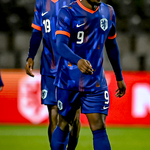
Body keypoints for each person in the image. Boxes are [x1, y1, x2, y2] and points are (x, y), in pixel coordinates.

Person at [51, 0, 126, 149]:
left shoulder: (108, 12)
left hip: (95, 81)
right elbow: (60, 44)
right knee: (64, 123)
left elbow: (111, 45)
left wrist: (119, 77)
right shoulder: (68, 12)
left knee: (99, 125)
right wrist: (78, 61)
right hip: (68, 80)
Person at [25, 0, 81, 149]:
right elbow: (37, 32)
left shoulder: (74, 2)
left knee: (74, 116)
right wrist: (31, 56)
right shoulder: (41, 3)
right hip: (49, 66)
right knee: (53, 114)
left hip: (71, 67)